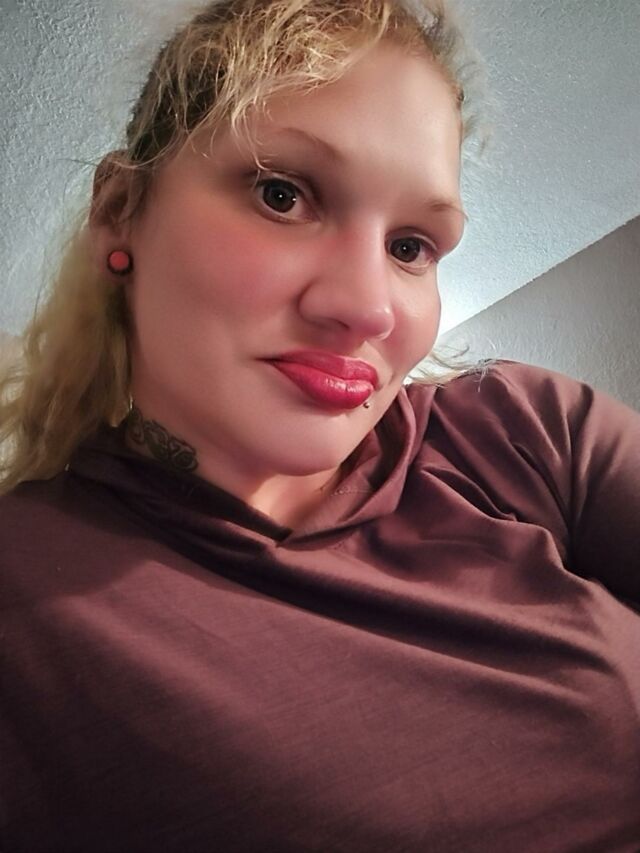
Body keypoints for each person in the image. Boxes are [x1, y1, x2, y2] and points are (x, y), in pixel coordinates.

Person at [1, 0, 638, 850]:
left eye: (411, 247)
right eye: (282, 195)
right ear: (120, 210)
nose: (368, 307)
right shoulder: (22, 589)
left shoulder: (524, 427)